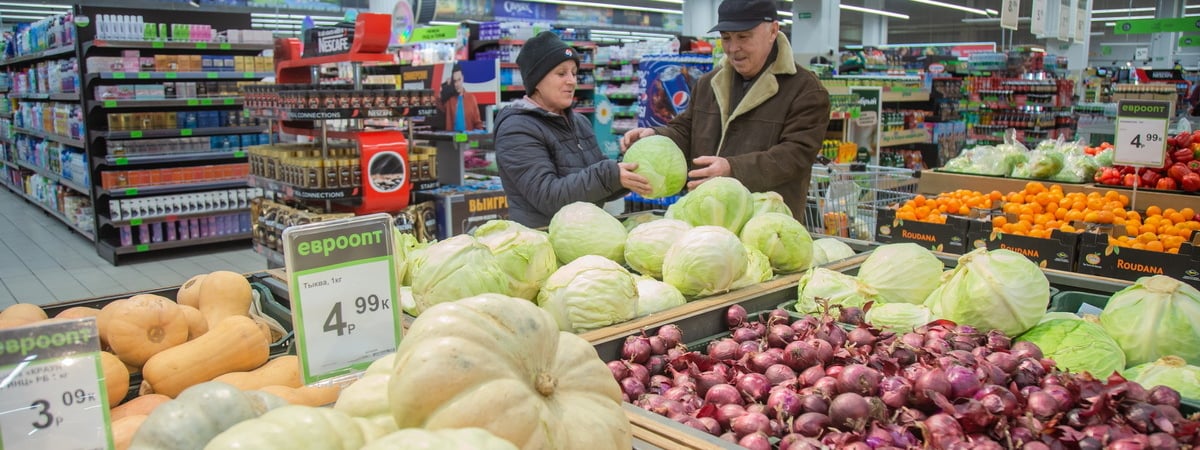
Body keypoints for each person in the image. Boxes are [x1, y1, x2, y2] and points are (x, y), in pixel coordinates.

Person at [620, 0, 831, 222]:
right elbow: (686, 129)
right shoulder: (708, 83)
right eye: (726, 37)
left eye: (743, 37)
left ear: (773, 31)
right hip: (707, 216)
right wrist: (656, 135)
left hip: (765, 225)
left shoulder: (806, 90)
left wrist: (733, 169)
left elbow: (795, 155)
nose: (732, 48)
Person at [494, 31, 651, 228]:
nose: (572, 81)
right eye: (561, 73)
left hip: (584, 236)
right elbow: (549, 197)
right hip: (542, 243)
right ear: (537, 81)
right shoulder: (516, 129)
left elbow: (597, 184)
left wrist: (629, 171)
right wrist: (608, 174)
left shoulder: (579, 122)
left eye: (574, 73)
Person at [440, 64, 483, 131]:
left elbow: (478, 124)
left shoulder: (471, 98)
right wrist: (445, 85)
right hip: (454, 139)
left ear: (463, 78)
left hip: (468, 139)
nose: (457, 84)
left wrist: (479, 139)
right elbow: (437, 101)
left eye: (459, 80)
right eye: (455, 81)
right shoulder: (449, 100)